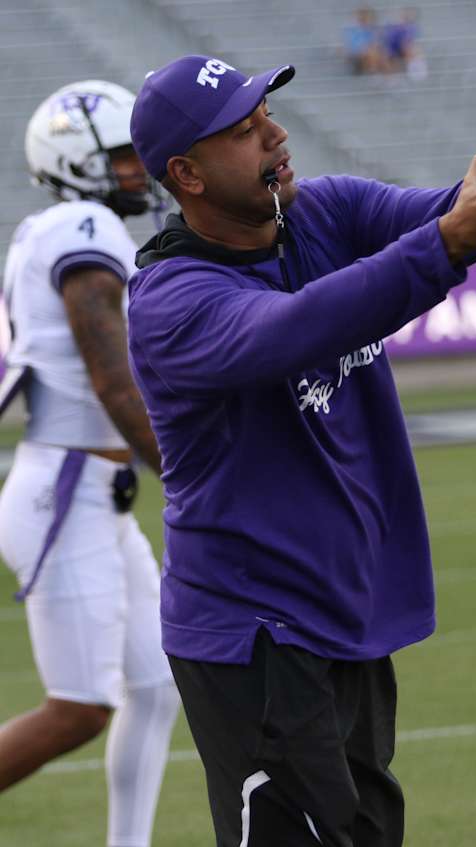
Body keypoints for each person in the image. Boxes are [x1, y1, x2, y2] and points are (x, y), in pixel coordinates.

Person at [127, 54, 476, 846]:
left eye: (268, 112)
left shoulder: (326, 212)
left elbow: (446, 215)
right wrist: (446, 244)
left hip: (341, 613)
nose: (276, 132)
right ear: (187, 175)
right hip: (252, 630)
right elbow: (301, 325)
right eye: (244, 128)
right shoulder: (171, 300)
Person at [0, 80, 180, 847]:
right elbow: (111, 378)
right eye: (123, 158)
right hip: (65, 487)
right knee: (79, 705)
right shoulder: (83, 225)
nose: (141, 170)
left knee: (158, 681)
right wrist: (192, 470)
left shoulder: (62, 226)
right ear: (78, 164)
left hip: (91, 491)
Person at [342, 7, 392, 75]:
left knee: (382, 52)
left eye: (367, 17)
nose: (365, 19)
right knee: (372, 51)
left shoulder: (371, 30)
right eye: (363, 17)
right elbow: (352, 47)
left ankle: (388, 77)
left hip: (371, 53)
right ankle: (374, 74)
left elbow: (378, 43)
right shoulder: (353, 30)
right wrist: (367, 47)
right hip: (356, 55)